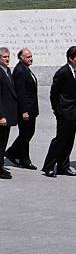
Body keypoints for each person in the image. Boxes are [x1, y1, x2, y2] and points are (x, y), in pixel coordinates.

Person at [42, 46, 76, 178]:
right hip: (64, 112)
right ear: (70, 58)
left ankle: (63, 166)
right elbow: (54, 93)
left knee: (69, 140)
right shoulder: (63, 72)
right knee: (60, 140)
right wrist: (57, 110)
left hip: (73, 112)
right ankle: (48, 166)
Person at [5, 48, 38, 170]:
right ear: (21, 58)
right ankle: (25, 160)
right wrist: (24, 111)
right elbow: (20, 93)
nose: (30, 59)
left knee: (29, 133)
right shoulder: (20, 71)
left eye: (31, 56)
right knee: (25, 134)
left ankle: (12, 152)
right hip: (25, 110)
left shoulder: (26, 69)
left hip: (31, 108)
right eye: (28, 57)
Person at [0, 47, 18, 180]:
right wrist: (1, 116)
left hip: (9, 113)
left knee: (4, 141)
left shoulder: (8, 71)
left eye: (8, 57)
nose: (7, 59)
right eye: (4, 57)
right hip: (3, 116)